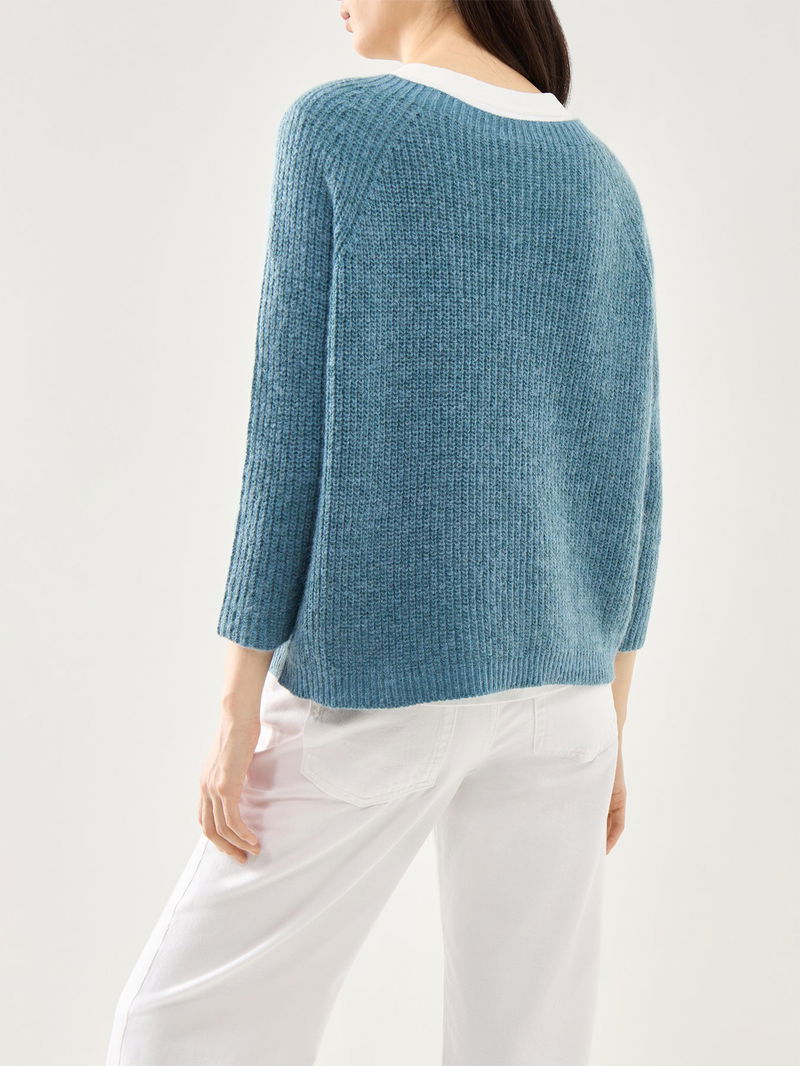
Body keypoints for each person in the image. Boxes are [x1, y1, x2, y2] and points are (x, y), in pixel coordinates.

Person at [105, 1, 663, 1063]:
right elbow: (635, 476)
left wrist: (235, 699)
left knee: (175, 1028)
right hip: (567, 707)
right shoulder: (603, 178)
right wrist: (614, 721)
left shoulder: (341, 129)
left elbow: (287, 434)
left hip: (382, 680)